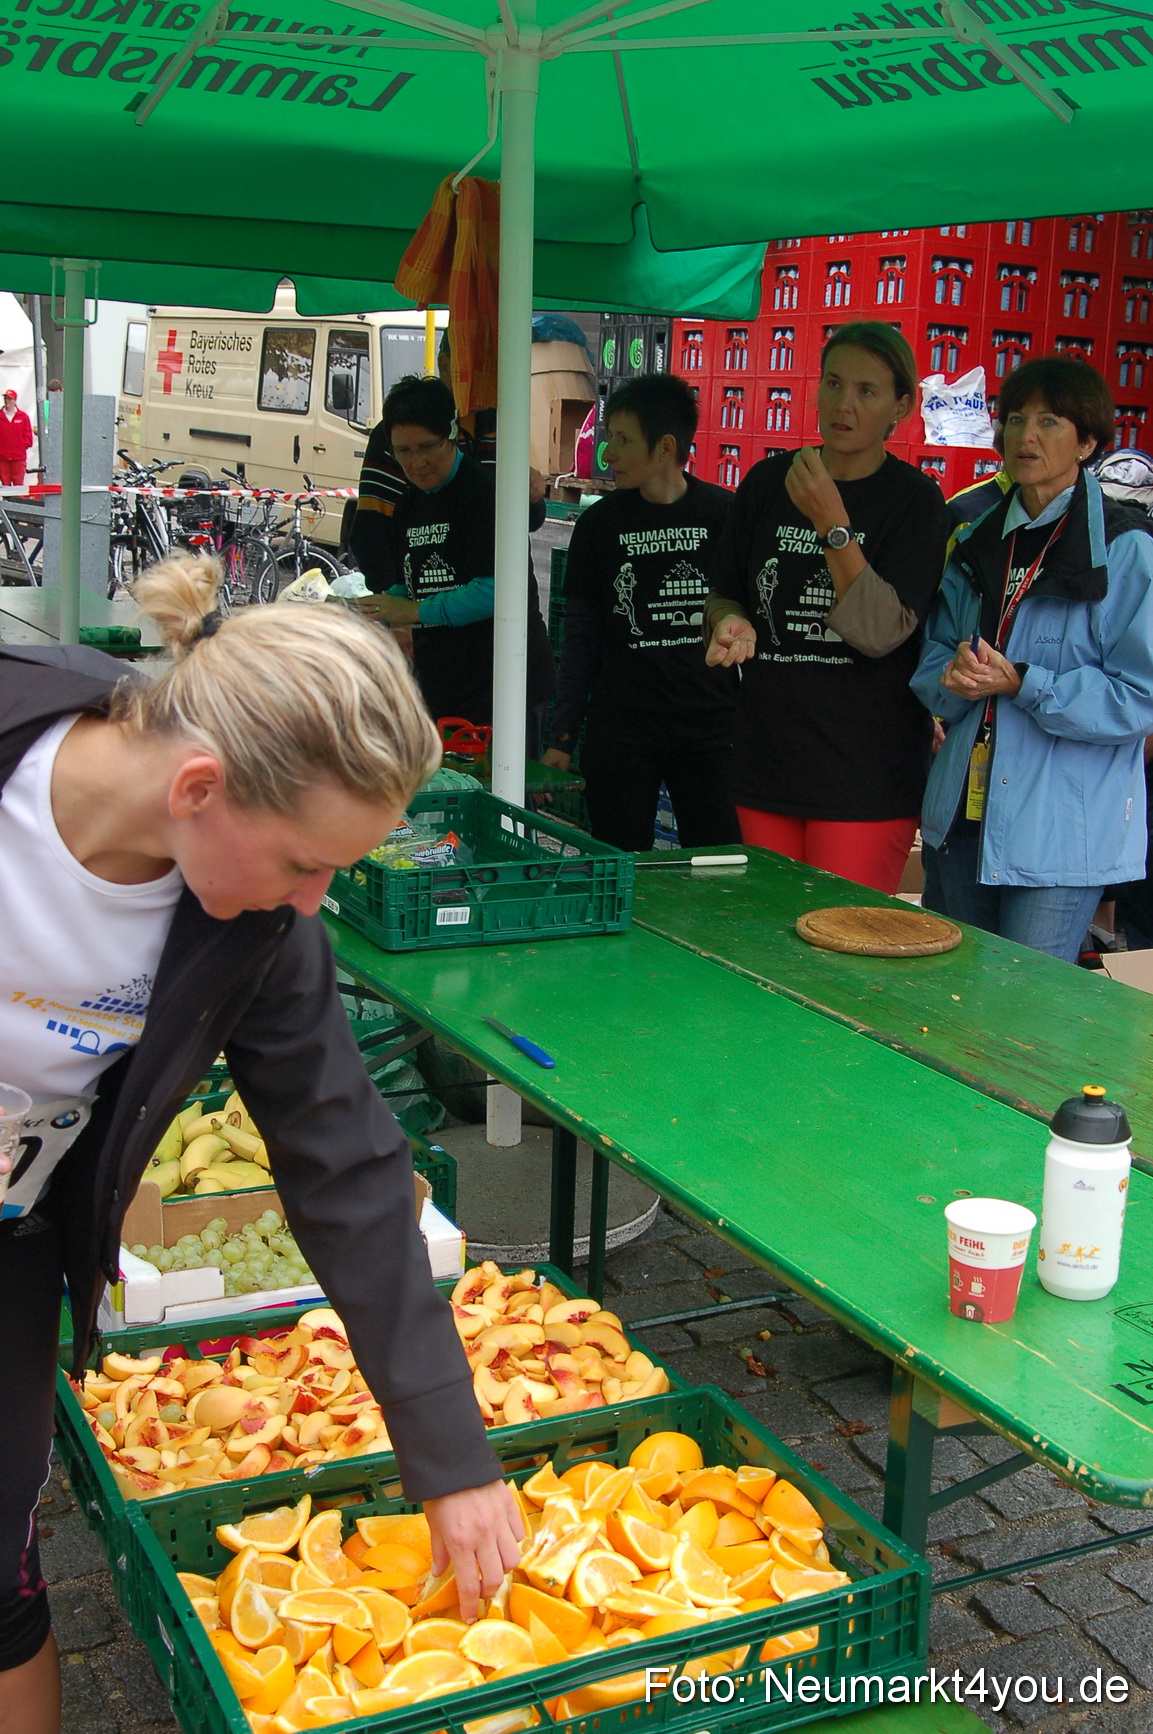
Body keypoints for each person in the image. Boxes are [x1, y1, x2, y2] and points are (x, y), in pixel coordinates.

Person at [0, 555, 523, 1732]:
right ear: (197, 788)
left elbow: (342, 1159)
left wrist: (449, 1453)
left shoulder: (264, 940)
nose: (312, 903)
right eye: (305, 863)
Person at [912, 356, 1153, 964]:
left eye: (1050, 421)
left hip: (1061, 835)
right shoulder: (974, 538)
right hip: (962, 814)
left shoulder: (1124, 549)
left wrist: (1026, 684)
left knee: (1020, 1011)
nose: (1026, 436)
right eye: (1016, 419)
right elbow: (930, 655)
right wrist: (948, 679)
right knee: (953, 998)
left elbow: (1138, 698)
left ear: (1088, 441)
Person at [703, 322, 950, 894]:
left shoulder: (915, 501)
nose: (844, 404)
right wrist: (730, 621)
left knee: (840, 950)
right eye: (833, 383)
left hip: (864, 776)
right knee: (768, 938)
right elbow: (725, 590)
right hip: (768, 758)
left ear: (901, 406)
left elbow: (883, 631)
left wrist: (832, 524)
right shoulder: (768, 482)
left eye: (867, 391)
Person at [541, 373, 740, 850]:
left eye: (623, 441)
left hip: (710, 732)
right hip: (622, 733)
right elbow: (580, 642)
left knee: (718, 866)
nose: (608, 454)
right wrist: (561, 738)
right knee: (622, 869)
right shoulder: (598, 526)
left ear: (665, 446)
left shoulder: (725, 516)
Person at [355, 375, 555, 751]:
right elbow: (408, 584)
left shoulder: (483, 494)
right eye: (403, 451)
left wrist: (414, 611)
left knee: (504, 803)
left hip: (504, 685)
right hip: (443, 686)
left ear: (451, 434)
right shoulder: (409, 504)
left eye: (426, 447)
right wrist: (370, 610)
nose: (416, 462)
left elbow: (497, 591)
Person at [0, 388, 33, 487]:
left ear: (15, 401)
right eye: (6, 398)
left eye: (10, 399)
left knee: (19, 485)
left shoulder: (23, 417)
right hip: (2, 458)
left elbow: (28, 436)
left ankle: (18, 502)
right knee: (5, 486)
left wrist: (21, 446)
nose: (7, 401)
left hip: (18, 458)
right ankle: (7, 502)